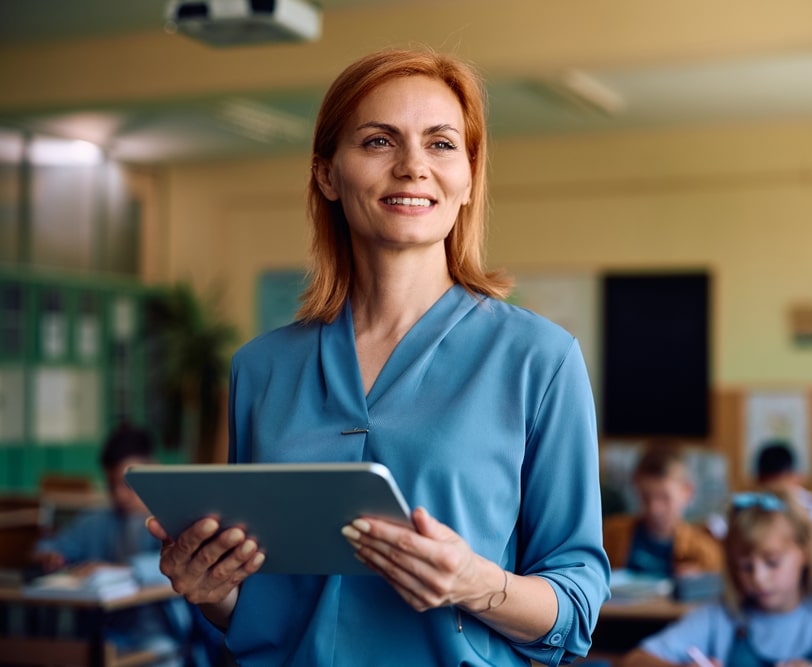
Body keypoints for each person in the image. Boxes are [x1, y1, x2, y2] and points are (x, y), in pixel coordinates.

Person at [146, 47, 610, 666]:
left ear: (469, 177)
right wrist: (214, 594)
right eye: (378, 142)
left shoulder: (541, 360)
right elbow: (265, 606)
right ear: (327, 174)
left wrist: (476, 582)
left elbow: (576, 606)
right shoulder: (260, 369)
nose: (413, 167)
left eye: (442, 144)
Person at [618, 490, 812, 667]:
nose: (758, 578)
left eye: (772, 563)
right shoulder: (721, 617)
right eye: (745, 566)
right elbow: (636, 660)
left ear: (804, 554)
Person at [32, 424, 213, 666]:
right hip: (107, 635)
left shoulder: (174, 521)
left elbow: (186, 561)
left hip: (161, 637)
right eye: (111, 485)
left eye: (128, 484)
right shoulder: (97, 521)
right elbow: (50, 546)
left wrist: (123, 570)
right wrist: (51, 555)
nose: (120, 495)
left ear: (154, 470)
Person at [603, 446, 722, 577]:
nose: (654, 509)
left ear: (687, 492)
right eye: (645, 497)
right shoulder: (610, 535)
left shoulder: (705, 552)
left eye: (664, 498)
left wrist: (699, 582)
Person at [755, 440, 812, 528]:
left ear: (794, 477)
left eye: (779, 482)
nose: (775, 490)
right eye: (770, 484)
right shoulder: (752, 508)